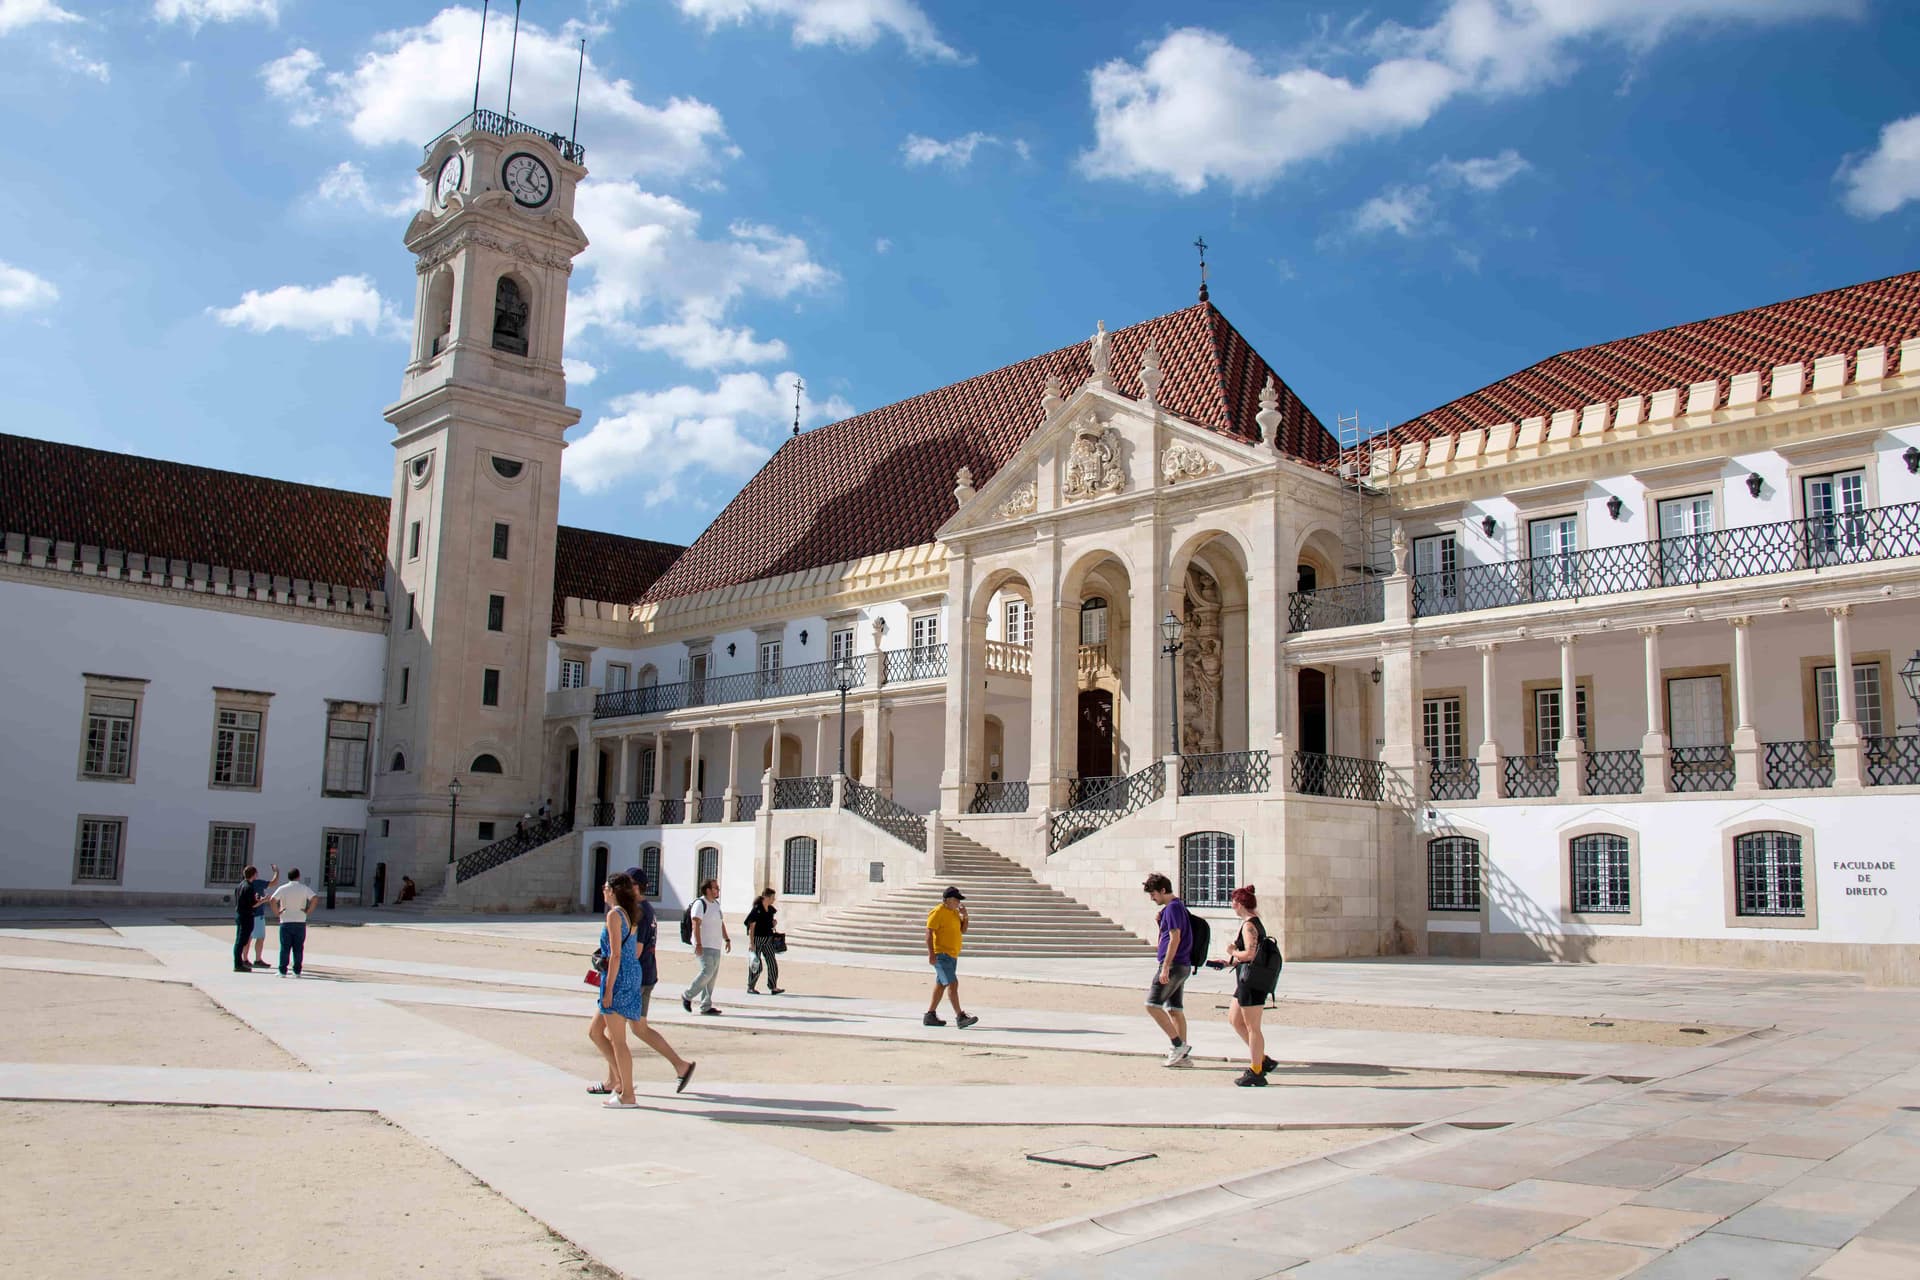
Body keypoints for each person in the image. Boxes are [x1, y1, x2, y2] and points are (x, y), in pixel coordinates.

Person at [621, 866, 696, 1093]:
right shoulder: (647, 909)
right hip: (647, 974)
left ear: (636, 886)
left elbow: (636, 950)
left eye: (626, 884)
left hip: (637, 977)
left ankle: (618, 1083)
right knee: (638, 1029)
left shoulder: (639, 911)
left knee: (612, 1031)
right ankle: (680, 1066)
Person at [586, 873, 643, 1108]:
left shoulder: (614, 915)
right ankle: (621, 1080)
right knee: (596, 1031)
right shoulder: (629, 913)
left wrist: (608, 989)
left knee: (618, 1040)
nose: (603, 889)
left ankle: (627, 1094)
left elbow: (616, 954)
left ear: (613, 890)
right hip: (630, 974)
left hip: (617, 977)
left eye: (605, 886)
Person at [1223, 884, 1282, 1087]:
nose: (1231, 904)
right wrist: (1228, 962)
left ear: (1239, 904)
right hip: (1245, 980)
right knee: (1234, 1019)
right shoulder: (1251, 923)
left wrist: (1232, 952)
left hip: (1252, 981)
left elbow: (1249, 954)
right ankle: (1262, 1059)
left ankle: (1257, 1070)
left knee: (1252, 1027)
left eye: (1233, 901)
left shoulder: (1249, 926)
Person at [1142, 873, 1193, 1066]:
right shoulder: (1177, 907)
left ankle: (1178, 1044)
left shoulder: (1172, 908)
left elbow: (1175, 938)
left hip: (1173, 965)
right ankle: (1183, 1057)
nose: (1152, 898)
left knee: (1152, 1005)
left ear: (1163, 890)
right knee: (1174, 1009)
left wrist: (1165, 968)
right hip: (1182, 965)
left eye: (1153, 894)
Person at [924, 887, 978, 1029]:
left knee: (941, 984)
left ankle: (930, 1015)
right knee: (953, 983)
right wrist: (931, 954)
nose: (958, 902)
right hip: (941, 954)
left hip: (952, 955)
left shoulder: (954, 912)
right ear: (948, 900)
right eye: (956, 899)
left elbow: (963, 930)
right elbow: (929, 933)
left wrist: (965, 916)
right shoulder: (938, 912)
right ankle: (960, 1017)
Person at [682, 878, 729, 1015]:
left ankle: (706, 1006)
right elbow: (695, 924)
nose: (718, 890)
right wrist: (698, 943)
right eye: (715, 888)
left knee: (712, 976)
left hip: (715, 945)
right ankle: (687, 995)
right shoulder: (700, 904)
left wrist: (727, 938)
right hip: (704, 945)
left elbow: (721, 922)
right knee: (707, 971)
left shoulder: (716, 904)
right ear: (708, 890)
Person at [270, 868, 320, 977]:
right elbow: (315, 898)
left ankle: (282, 970)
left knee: (285, 947)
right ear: (298, 876)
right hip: (300, 921)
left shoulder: (283, 888)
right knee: (298, 948)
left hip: (286, 920)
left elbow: (272, 900)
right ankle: (297, 971)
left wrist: (277, 912)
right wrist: (308, 910)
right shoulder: (304, 888)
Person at [744, 887, 784, 995]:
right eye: (772, 897)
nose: (773, 900)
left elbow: (769, 924)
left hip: (768, 940)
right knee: (756, 965)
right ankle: (751, 986)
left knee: (772, 963)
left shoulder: (770, 910)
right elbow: (751, 927)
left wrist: (773, 923)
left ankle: (773, 987)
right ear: (766, 897)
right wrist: (751, 943)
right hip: (757, 940)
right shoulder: (757, 909)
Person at [242, 862, 280, 968]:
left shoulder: (243, 884)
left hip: (248, 915)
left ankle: (245, 958)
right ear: (254, 874)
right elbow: (274, 882)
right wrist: (276, 871)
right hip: (257, 915)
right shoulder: (257, 883)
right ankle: (257, 959)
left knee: (248, 937)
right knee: (260, 937)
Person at [232, 864, 268, 973]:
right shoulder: (249, 887)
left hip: (240, 915)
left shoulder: (240, 885)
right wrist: (263, 900)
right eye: (256, 873)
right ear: (253, 874)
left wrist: (257, 898)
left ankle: (239, 963)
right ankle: (238, 964)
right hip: (246, 916)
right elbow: (253, 905)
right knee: (241, 942)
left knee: (239, 941)